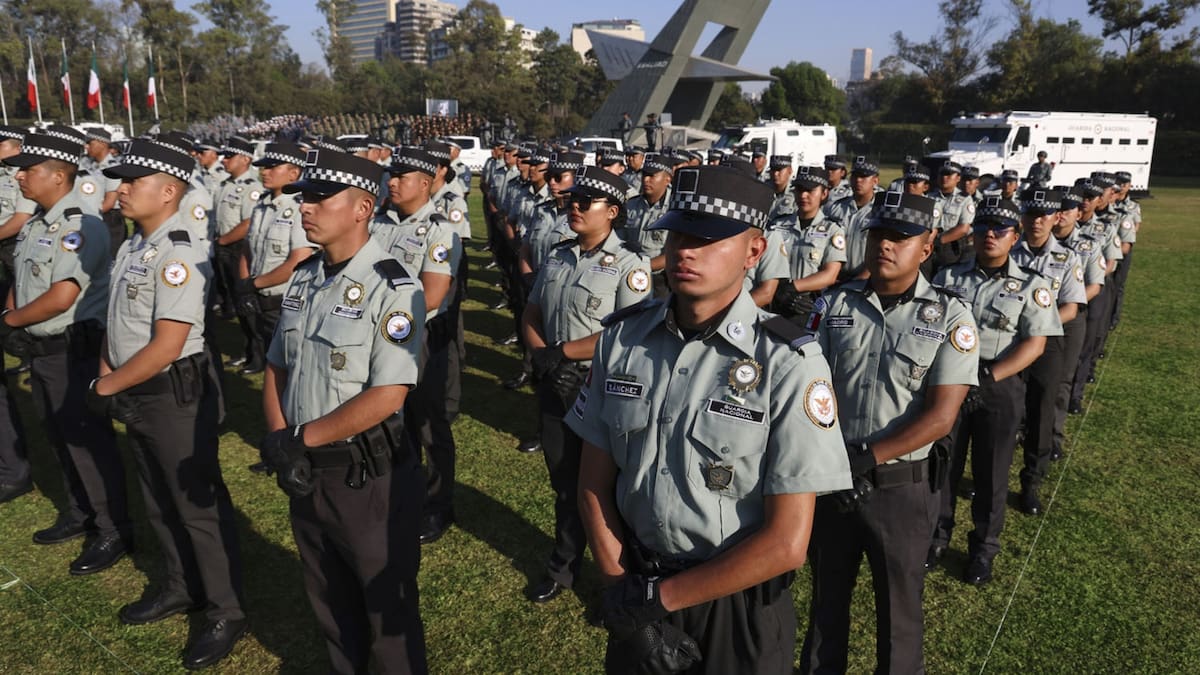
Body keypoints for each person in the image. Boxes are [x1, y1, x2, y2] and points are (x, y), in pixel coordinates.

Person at [572, 165, 849, 673]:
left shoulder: (789, 362)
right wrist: (625, 596)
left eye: (709, 237)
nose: (685, 249)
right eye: (679, 232)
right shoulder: (622, 340)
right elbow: (593, 482)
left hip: (735, 607)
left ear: (753, 251)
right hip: (637, 584)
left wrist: (661, 600)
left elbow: (787, 543)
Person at [260, 148, 428, 673]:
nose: (304, 208)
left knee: (385, 611)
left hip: (364, 479)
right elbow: (276, 365)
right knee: (329, 600)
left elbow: (388, 393)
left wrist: (298, 441)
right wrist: (280, 439)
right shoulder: (305, 275)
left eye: (318, 198)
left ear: (361, 208)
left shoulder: (394, 286)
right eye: (302, 197)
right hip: (305, 470)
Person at [801, 190, 979, 674]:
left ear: (926, 247)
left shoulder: (950, 316)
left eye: (900, 237)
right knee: (825, 608)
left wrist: (868, 457)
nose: (885, 244)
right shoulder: (835, 303)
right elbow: (809, 384)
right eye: (879, 233)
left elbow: (941, 417)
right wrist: (831, 458)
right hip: (834, 483)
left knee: (899, 621)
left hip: (901, 490)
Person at [95, 139, 245, 669]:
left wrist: (105, 388)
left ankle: (225, 608)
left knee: (193, 503)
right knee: (157, 496)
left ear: (168, 190)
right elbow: (119, 324)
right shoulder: (135, 245)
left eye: (133, 181)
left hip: (169, 390)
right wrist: (108, 371)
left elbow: (167, 343)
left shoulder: (178, 250)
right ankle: (182, 585)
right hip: (137, 387)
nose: (123, 188)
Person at [2, 125, 131, 574]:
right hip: (41, 346)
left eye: (28, 170)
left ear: (59, 175)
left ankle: (112, 527)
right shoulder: (40, 220)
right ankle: (80, 514)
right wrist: (14, 315)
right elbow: (23, 282)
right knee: (57, 434)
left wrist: (8, 322)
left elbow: (60, 296)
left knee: (85, 440)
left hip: (71, 346)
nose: (19, 177)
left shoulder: (81, 225)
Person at [520, 166, 650, 604]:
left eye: (585, 202)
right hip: (555, 384)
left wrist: (564, 353)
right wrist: (541, 354)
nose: (572, 206)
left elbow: (628, 332)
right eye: (571, 200)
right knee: (564, 483)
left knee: (607, 489)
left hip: (601, 390)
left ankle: (621, 577)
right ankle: (564, 566)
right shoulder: (559, 255)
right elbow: (532, 310)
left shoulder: (631, 266)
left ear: (612, 211)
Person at [928, 196, 1062, 585]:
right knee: (945, 467)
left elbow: (1035, 344)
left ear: (1014, 236)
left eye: (1000, 229)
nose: (990, 234)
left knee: (991, 474)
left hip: (998, 388)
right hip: (950, 385)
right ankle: (937, 538)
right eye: (984, 226)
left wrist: (987, 377)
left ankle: (982, 551)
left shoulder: (1032, 286)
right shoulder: (947, 277)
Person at [372, 146, 463, 545]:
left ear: (425, 184)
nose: (392, 181)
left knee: (428, 422)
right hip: (377, 334)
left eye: (402, 176)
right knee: (391, 418)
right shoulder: (378, 223)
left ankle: (439, 502)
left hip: (419, 337)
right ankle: (403, 491)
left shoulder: (440, 231)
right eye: (392, 174)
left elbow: (431, 295)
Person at [1010, 187, 1086, 515]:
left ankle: (1032, 481)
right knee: (1006, 406)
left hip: (1048, 338)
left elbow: (1073, 306)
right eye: (1030, 214)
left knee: (1042, 408)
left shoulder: (1067, 258)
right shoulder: (1008, 251)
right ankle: (994, 475)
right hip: (1009, 338)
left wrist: (1041, 321)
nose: (1036, 221)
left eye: (1043, 215)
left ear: (1056, 218)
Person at [213, 136, 264, 370]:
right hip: (224, 246)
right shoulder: (225, 184)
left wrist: (223, 240)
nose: (224, 160)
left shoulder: (251, 188)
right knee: (236, 301)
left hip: (238, 248)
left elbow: (247, 222)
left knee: (247, 304)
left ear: (245, 159)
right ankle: (247, 352)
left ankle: (257, 355)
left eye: (230, 156)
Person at [772, 166, 846, 322]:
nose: (803, 195)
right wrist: (777, 291)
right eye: (799, 189)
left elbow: (830, 275)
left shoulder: (832, 230)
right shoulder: (777, 225)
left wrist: (792, 287)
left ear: (824, 193)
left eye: (810, 190)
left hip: (807, 305)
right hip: (774, 300)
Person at [620, 153, 674, 297]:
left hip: (660, 278)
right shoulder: (631, 204)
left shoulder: (675, 209)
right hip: (629, 271)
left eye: (652, 175)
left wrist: (642, 268)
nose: (646, 180)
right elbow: (619, 240)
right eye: (644, 175)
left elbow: (673, 254)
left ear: (667, 179)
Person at [825, 156, 881, 280]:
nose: (858, 180)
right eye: (855, 176)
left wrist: (862, 278)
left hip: (866, 278)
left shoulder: (880, 211)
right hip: (834, 276)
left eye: (864, 176)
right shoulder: (835, 207)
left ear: (875, 181)